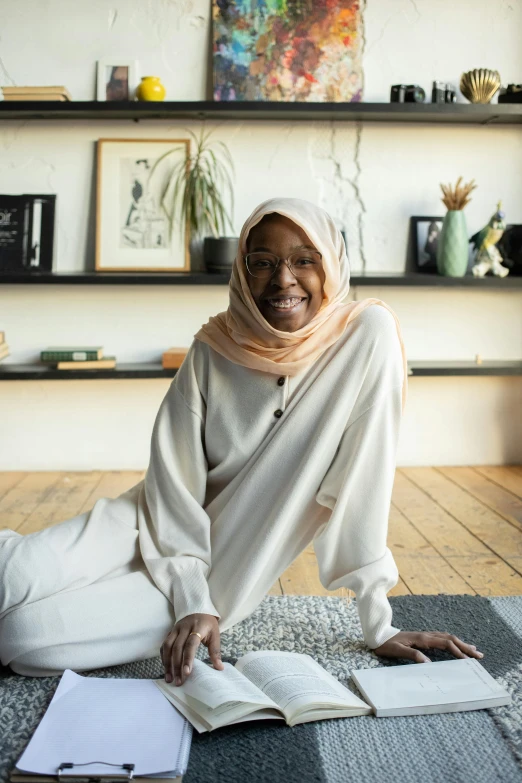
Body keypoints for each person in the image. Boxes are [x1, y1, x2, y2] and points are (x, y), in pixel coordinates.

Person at [0, 197, 482, 681]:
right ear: (241, 270)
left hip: (219, 579)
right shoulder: (213, 348)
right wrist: (186, 586)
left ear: (331, 265)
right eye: (263, 262)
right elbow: (172, 482)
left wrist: (377, 622)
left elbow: (365, 479)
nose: (284, 279)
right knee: (12, 575)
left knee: (23, 637)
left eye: (303, 260)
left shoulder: (365, 338)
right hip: (148, 523)